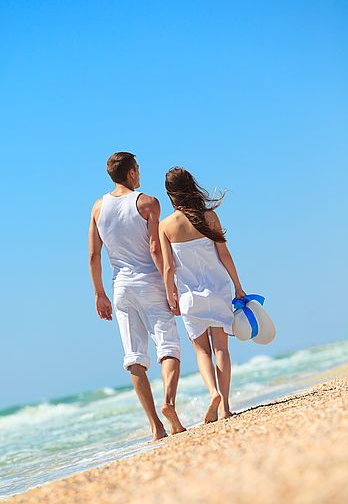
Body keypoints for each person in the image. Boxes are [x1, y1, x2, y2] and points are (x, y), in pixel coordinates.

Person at [88, 152, 186, 440]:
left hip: (120, 288)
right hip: (150, 282)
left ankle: (155, 427)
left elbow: (94, 255)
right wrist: (170, 286)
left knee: (134, 358)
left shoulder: (97, 207)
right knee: (169, 347)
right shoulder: (147, 202)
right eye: (138, 169)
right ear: (131, 173)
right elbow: (156, 249)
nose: (139, 174)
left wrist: (99, 294)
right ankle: (169, 405)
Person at [159, 167, 246, 422]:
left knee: (202, 352)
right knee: (221, 349)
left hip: (189, 296)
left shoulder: (166, 225)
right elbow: (225, 255)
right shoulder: (209, 217)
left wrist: (170, 295)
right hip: (218, 290)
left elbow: (168, 267)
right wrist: (239, 286)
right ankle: (225, 407)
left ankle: (212, 392)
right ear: (192, 187)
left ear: (170, 194)